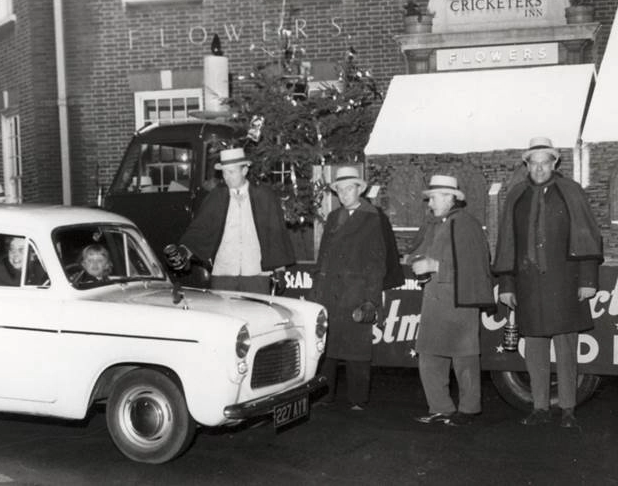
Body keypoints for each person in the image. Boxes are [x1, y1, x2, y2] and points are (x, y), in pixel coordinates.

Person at [493, 137, 602, 429]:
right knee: (535, 348)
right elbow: (507, 244)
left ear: (555, 163)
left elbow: (587, 236)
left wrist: (588, 279)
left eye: (546, 163)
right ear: (526, 165)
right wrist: (506, 284)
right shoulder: (516, 196)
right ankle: (540, 406)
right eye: (534, 163)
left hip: (565, 282)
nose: (540, 169)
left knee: (566, 347)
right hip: (529, 285)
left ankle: (568, 409)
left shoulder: (571, 192)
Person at [408, 175, 494, 426]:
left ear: (449, 197)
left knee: (464, 358)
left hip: (458, 302)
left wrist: (436, 266)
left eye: (433, 198)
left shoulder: (466, 224)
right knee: (429, 356)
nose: (430, 204)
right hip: (437, 302)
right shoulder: (439, 224)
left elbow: (477, 266)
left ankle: (469, 410)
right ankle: (441, 408)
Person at [312, 166, 391, 410]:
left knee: (357, 349)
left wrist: (371, 299)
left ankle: (358, 399)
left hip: (355, 293)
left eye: (349, 189)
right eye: (340, 190)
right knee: (328, 348)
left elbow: (378, 262)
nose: (344, 194)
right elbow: (323, 256)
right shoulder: (334, 217)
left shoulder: (373, 217)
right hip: (329, 291)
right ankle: (325, 396)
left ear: (359, 189)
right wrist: (317, 291)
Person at [175, 148, 294, 294]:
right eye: (224, 172)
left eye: (232, 172)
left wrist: (279, 271)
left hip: (256, 274)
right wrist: (184, 251)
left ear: (244, 171)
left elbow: (275, 234)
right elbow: (200, 230)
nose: (227, 177)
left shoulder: (264, 196)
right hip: (223, 274)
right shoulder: (216, 197)